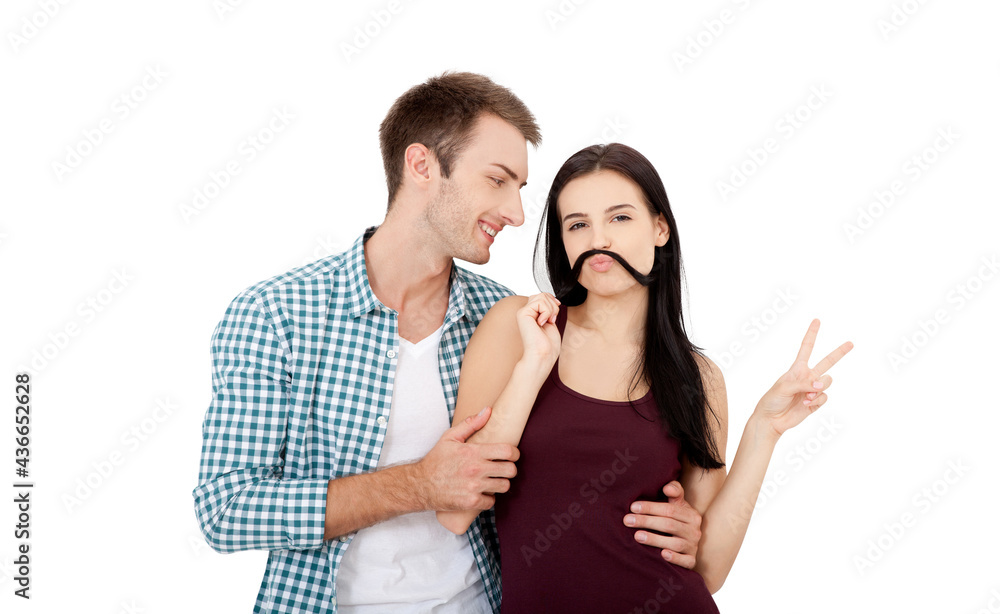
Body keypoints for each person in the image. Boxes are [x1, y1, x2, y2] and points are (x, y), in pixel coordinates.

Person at [193, 73, 706, 614]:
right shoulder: (276, 314)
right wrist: (418, 485)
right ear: (422, 167)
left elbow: (568, 472)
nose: (517, 213)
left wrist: (683, 527)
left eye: (521, 189)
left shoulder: (510, 319)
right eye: (497, 181)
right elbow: (225, 509)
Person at [437, 143, 854, 612]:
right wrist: (533, 366)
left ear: (659, 228)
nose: (600, 238)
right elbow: (456, 510)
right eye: (578, 224)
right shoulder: (519, 327)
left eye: (619, 218)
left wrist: (765, 429)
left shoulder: (698, 377)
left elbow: (709, 569)